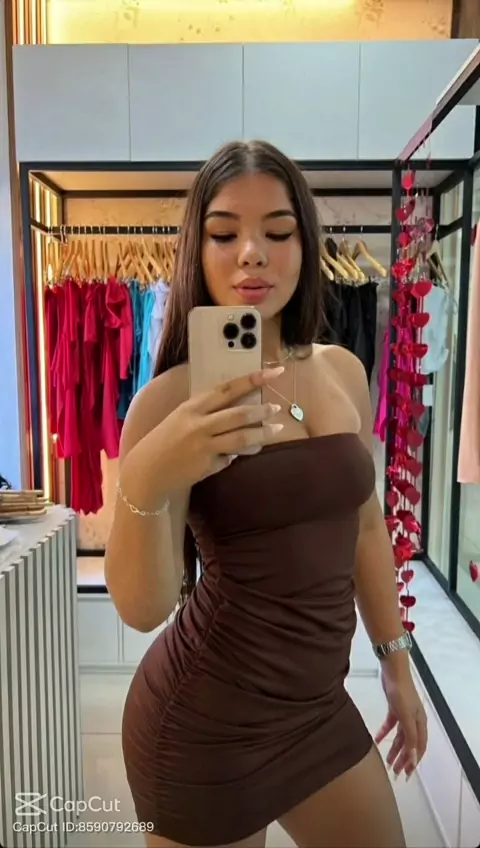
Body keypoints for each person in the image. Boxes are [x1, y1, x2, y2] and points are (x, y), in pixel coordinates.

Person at [105, 140, 428, 848]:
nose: (252, 253)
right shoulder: (167, 404)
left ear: (306, 246)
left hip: (318, 712)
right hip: (204, 725)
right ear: (198, 252)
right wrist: (149, 473)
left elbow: (366, 529)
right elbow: (145, 608)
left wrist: (396, 665)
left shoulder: (344, 372)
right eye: (224, 234)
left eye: (278, 232)